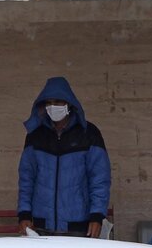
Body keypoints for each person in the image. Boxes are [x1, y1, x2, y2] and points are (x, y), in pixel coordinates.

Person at [17, 76, 111, 238]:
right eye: (49, 102)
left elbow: (99, 179)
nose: (53, 107)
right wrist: (24, 214)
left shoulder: (88, 133)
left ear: (69, 104)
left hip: (79, 227)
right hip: (41, 227)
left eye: (59, 102)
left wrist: (97, 215)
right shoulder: (35, 135)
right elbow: (27, 178)